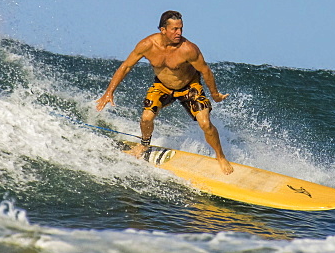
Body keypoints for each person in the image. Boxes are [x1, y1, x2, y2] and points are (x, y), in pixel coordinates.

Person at [96, 10, 233, 174]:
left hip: (190, 87)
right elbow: (126, 66)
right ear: (163, 30)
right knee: (146, 118)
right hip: (162, 86)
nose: (179, 33)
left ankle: (221, 156)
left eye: (181, 28)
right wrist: (109, 92)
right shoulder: (147, 45)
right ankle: (144, 145)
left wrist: (215, 94)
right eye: (175, 29)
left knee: (205, 123)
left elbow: (206, 72)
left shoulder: (188, 49)